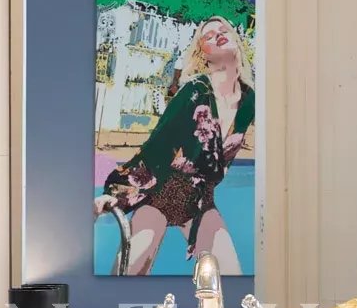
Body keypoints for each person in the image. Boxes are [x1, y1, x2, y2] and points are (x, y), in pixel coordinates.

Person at [96, 16, 254, 275]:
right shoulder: (194, 91)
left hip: (201, 201)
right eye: (209, 35)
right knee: (128, 273)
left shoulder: (250, 101)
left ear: (236, 39)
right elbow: (156, 147)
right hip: (161, 194)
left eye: (223, 30)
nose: (218, 34)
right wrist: (115, 194)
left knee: (230, 275)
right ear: (204, 54)